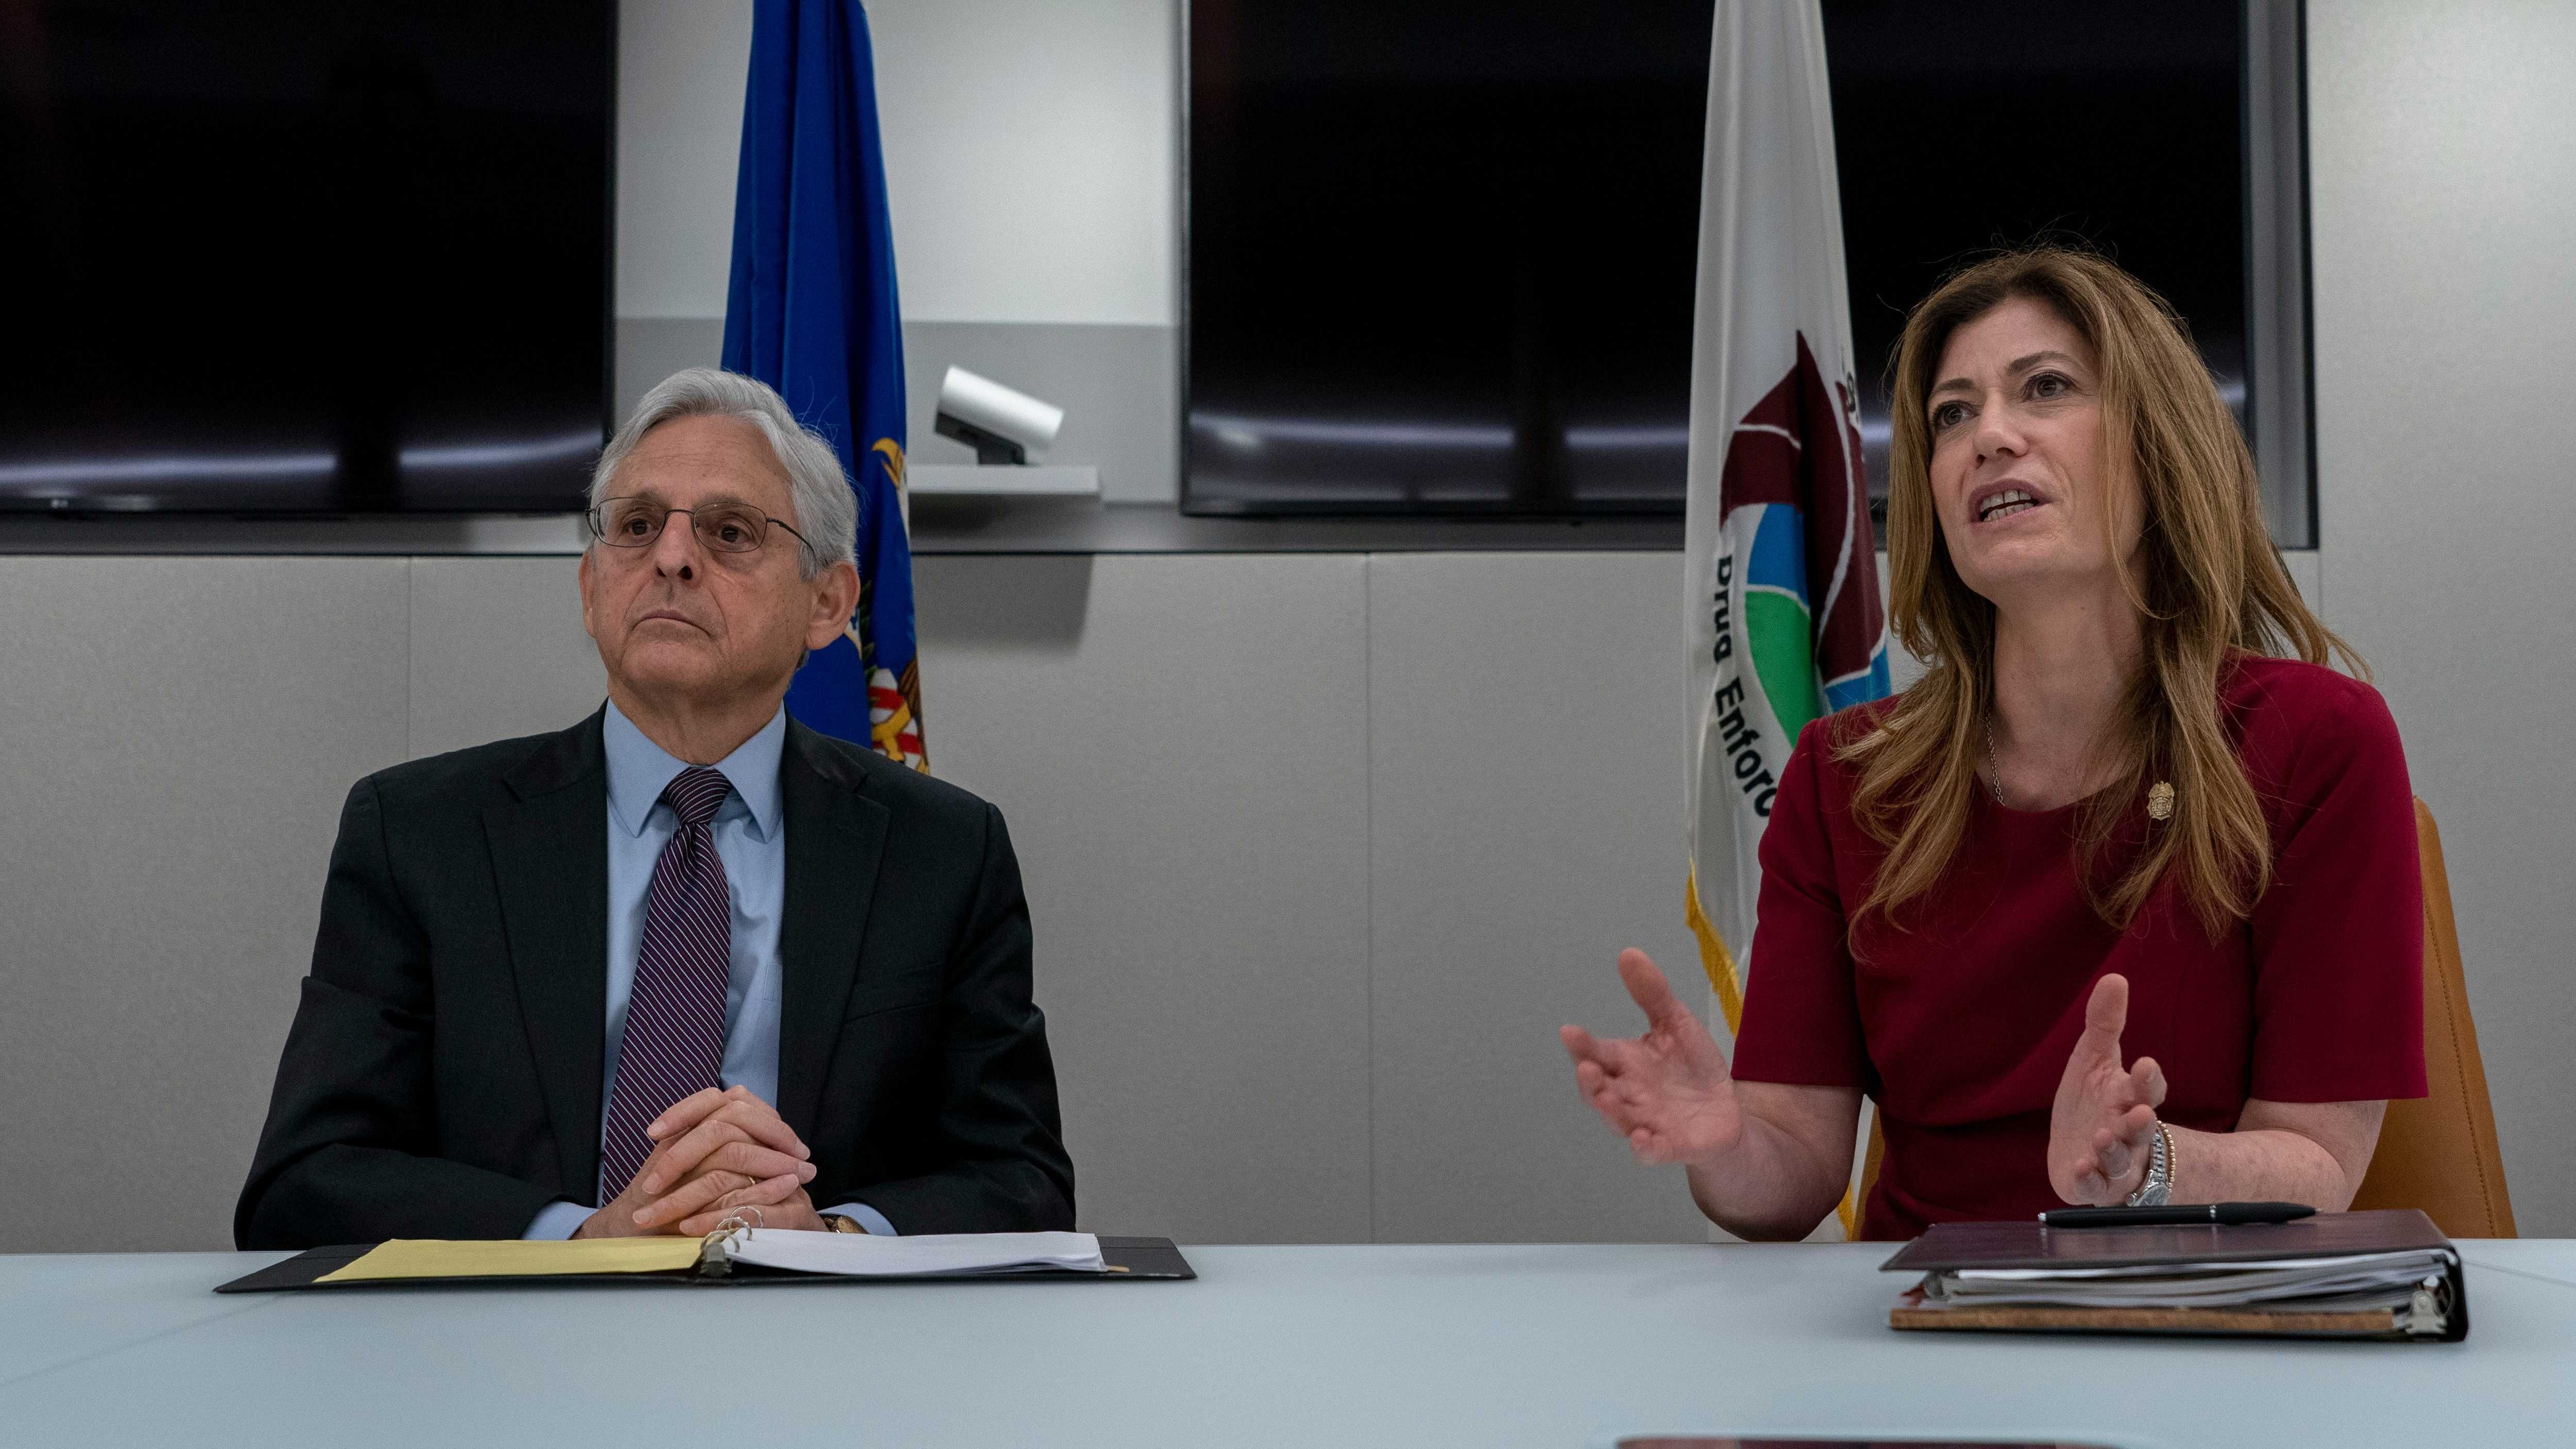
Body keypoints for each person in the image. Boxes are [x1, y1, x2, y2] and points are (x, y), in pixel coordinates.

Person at [1561, 247, 2425, 1240]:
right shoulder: (1845, 778)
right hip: (1914, 1312)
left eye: (2045, 388)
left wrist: (2145, 1165)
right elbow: (1791, 1170)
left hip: (2188, 1304)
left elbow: (2318, 1160)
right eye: (1952, 414)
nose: (1989, 437)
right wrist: (1722, 1145)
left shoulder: (2316, 741)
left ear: (2160, 443)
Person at [238, 367, 1073, 1248]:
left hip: (817, 1325)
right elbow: (308, 1179)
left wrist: (832, 1238)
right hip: (516, 1326)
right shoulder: (421, 834)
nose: (671, 557)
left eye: (730, 532)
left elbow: (1022, 1180)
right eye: (637, 526)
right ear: (591, 587)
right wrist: (581, 1243)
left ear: (827, 604)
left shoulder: (943, 851)